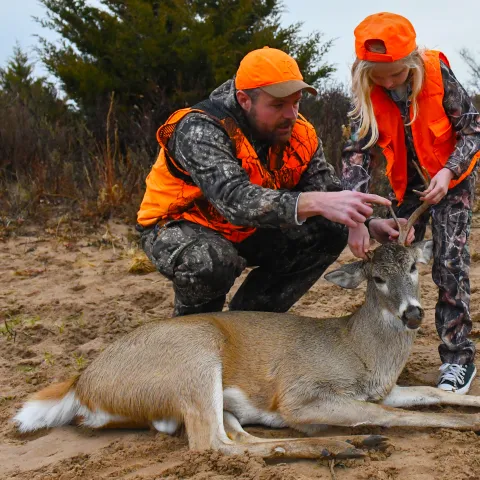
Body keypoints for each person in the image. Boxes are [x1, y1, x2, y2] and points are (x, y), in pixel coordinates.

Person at [136, 46, 392, 318]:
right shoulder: (201, 129)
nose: (291, 115)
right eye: (278, 105)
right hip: (178, 225)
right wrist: (314, 202)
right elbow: (234, 200)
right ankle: (193, 335)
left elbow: (325, 189)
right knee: (210, 263)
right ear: (245, 100)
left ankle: (249, 322)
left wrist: (368, 223)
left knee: (331, 229)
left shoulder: (299, 132)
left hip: (245, 230)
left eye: (296, 102)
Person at [342, 12, 480, 394]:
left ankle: (457, 360)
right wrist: (355, 216)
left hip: (452, 183)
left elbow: (473, 129)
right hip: (407, 191)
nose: (388, 83)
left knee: (448, 265)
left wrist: (450, 172)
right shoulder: (367, 91)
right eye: (379, 76)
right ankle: (386, 354)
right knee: (393, 259)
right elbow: (356, 153)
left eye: (397, 75)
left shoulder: (438, 75)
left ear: (413, 64)